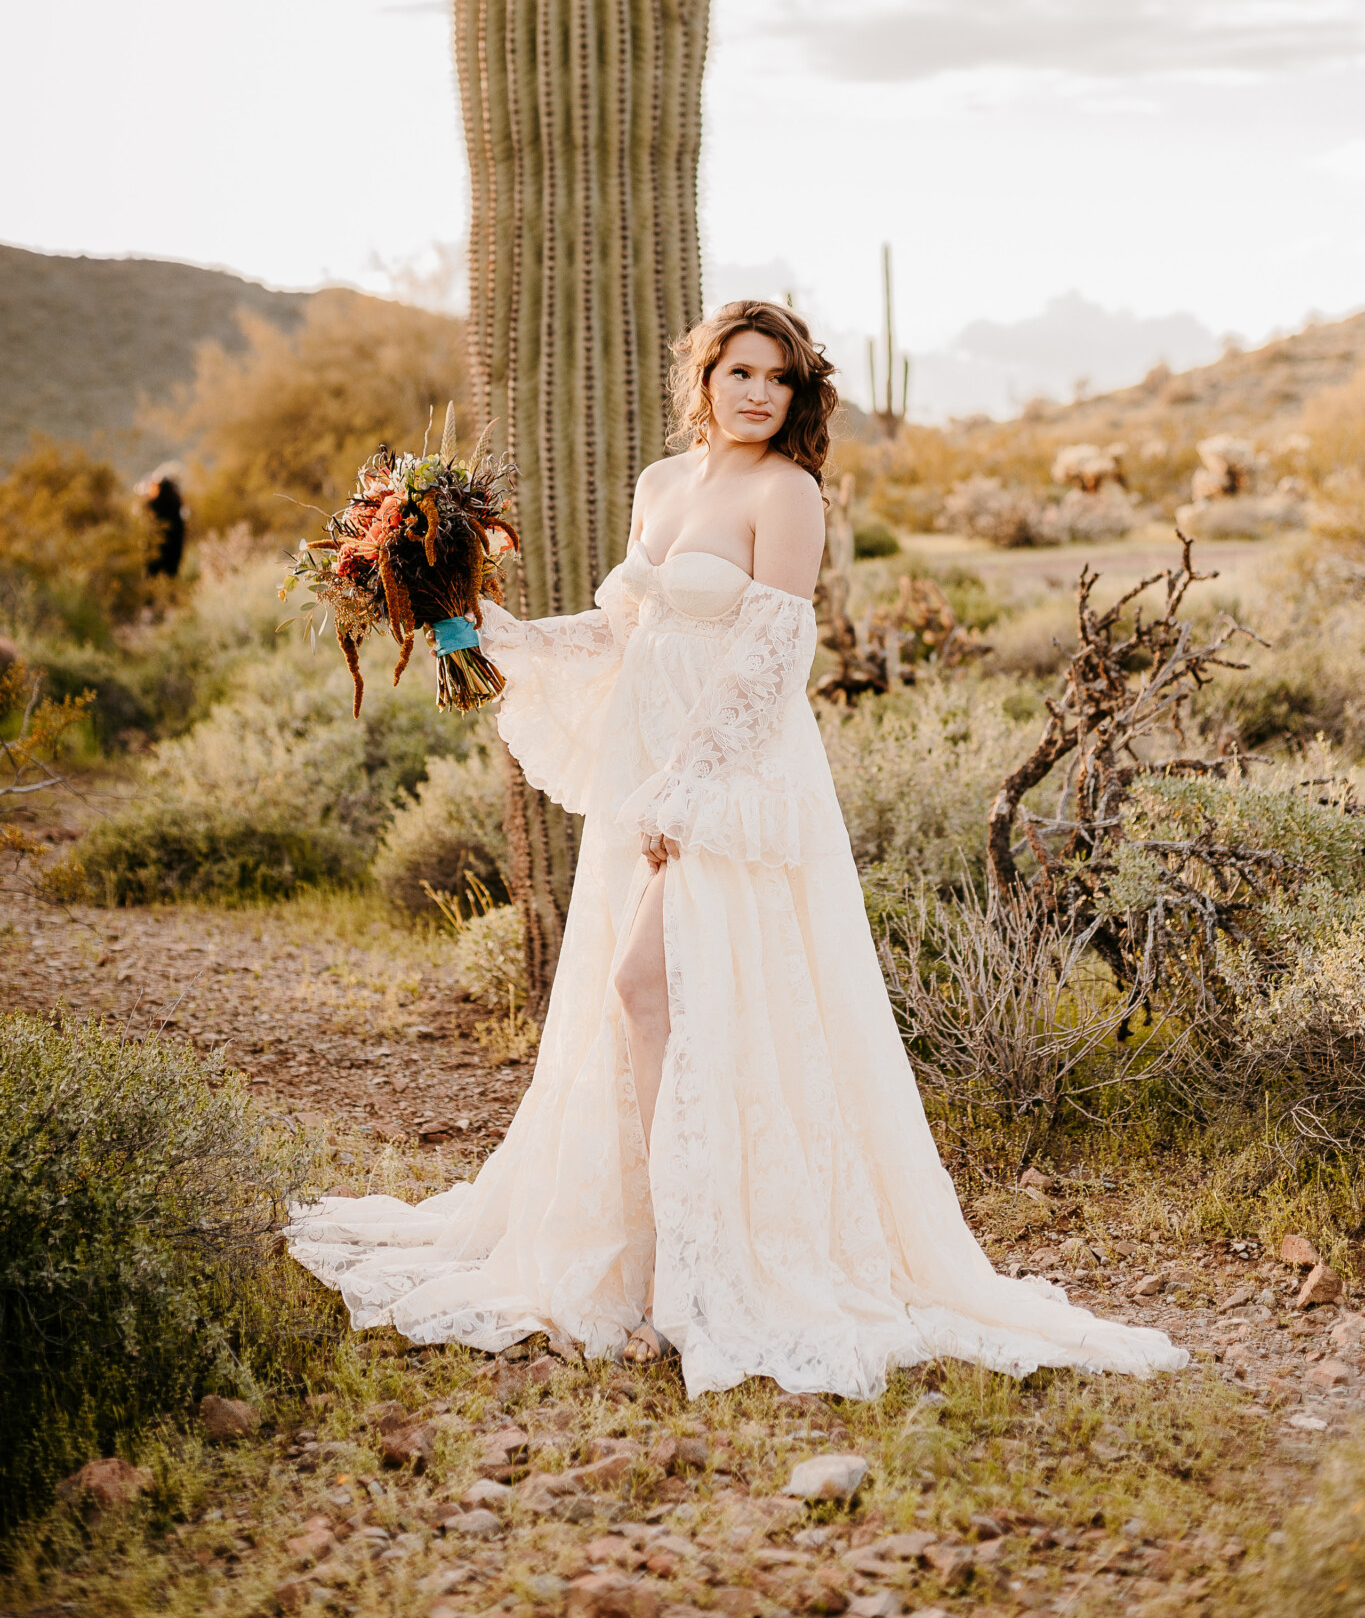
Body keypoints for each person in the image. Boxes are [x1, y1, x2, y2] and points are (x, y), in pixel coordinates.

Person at [288, 302, 1186, 1397]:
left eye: (781, 379)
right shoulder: (662, 485)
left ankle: (709, 1268)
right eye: (741, 370)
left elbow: (769, 662)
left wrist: (693, 787)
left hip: (737, 780)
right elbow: (628, 631)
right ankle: (668, 1252)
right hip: (654, 770)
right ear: (704, 375)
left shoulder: (789, 493)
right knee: (655, 1001)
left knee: (647, 983)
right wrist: (486, 627)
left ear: (799, 398)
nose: (759, 392)